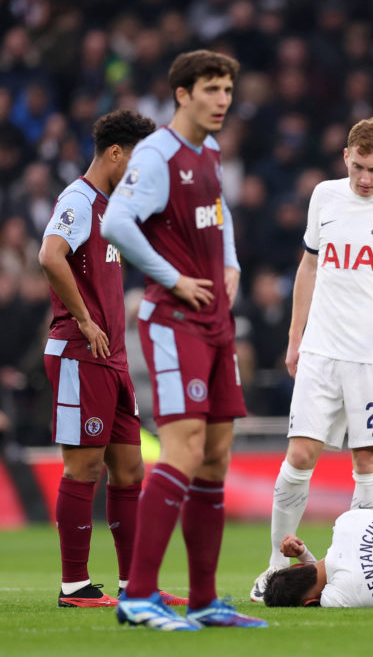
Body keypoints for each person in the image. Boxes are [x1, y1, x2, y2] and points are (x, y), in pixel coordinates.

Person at [249, 118, 373, 602]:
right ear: (345, 158)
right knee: (299, 456)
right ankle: (276, 566)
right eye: (358, 167)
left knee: (369, 459)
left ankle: (360, 562)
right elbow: (309, 266)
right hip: (320, 350)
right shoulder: (324, 196)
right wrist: (295, 337)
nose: (365, 179)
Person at [101, 50, 265, 631]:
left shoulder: (211, 152)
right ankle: (138, 597)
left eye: (227, 89)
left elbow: (217, 217)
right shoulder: (158, 153)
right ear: (182, 94)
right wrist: (171, 277)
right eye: (212, 89)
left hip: (217, 322)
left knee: (216, 458)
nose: (222, 100)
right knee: (184, 448)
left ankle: (202, 601)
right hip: (174, 320)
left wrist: (233, 262)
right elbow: (116, 224)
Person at [38, 110, 166, 609]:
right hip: (79, 351)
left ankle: (137, 585)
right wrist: (87, 320)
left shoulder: (110, 208)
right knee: (84, 467)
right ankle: (74, 586)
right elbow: (50, 256)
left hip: (110, 357)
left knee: (130, 469)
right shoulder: (78, 199)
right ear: (115, 154)